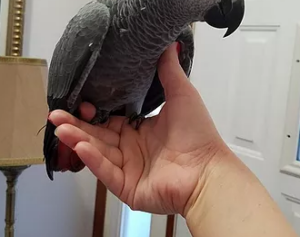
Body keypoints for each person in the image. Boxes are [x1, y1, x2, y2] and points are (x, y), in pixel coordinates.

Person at [49, 43, 298, 237]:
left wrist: (202, 175)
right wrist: (203, 179)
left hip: (128, 126)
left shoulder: (173, 40)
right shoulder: (100, 19)